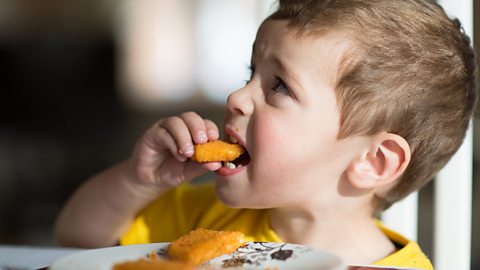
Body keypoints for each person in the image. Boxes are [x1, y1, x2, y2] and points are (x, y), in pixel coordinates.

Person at [54, 0, 477, 268]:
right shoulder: (201, 218)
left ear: (373, 161)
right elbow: (76, 239)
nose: (237, 97)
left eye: (279, 87)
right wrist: (138, 181)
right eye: (250, 73)